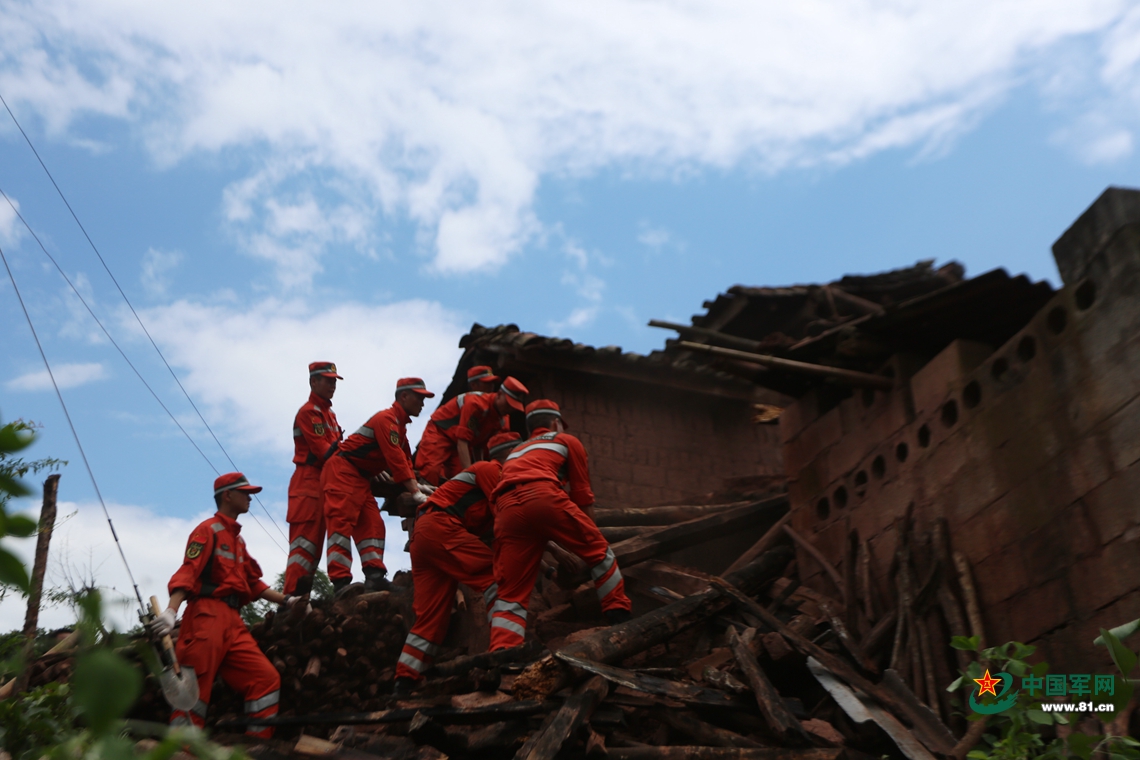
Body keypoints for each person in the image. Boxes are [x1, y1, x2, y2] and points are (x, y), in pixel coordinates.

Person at [149, 472, 299, 738]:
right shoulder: (207, 530)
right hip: (205, 616)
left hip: (232, 620)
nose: (250, 498)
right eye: (245, 493)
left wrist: (288, 600)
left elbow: (253, 583)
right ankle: (182, 752)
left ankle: (257, 747)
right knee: (193, 690)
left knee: (265, 679)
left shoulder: (237, 540)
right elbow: (188, 573)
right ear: (228, 495)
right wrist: (171, 611)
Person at [488, 400, 632, 651]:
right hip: (542, 495)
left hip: (505, 508)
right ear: (556, 423)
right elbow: (582, 494)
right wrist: (589, 538)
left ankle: (502, 651)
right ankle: (619, 619)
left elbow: (531, 520)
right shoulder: (565, 440)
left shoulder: (516, 451)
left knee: (511, 591)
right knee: (601, 553)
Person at [393, 431, 523, 695]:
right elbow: (508, 517)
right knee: (500, 581)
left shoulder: (482, 476)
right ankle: (506, 652)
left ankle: (406, 679)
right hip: (441, 528)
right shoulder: (492, 471)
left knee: (432, 614)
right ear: (511, 456)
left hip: (425, 536)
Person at [321, 377, 434, 593]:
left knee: (373, 524)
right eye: (419, 398)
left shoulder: (400, 429)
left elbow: (405, 462)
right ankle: (340, 583)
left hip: (361, 477)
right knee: (341, 522)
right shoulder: (387, 420)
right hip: (342, 471)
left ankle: (375, 577)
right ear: (404, 396)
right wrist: (414, 491)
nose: (422, 403)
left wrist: (419, 485)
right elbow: (396, 459)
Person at [284, 362, 344, 596]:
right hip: (307, 483)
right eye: (328, 381)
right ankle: (292, 599)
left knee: (314, 549)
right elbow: (325, 452)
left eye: (334, 381)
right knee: (303, 547)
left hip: (324, 482)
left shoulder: (330, 415)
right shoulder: (308, 412)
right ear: (313, 382)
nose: (332, 385)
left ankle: (301, 600)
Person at [414, 376, 528, 486]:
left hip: (457, 443)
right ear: (499, 395)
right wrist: (471, 476)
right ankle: (422, 495)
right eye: (508, 404)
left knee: (458, 477)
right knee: (431, 470)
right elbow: (463, 441)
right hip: (440, 432)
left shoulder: (501, 420)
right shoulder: (476, 404)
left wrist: (479, 473)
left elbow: (478, 446)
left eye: (513, 407)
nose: (510, 409)